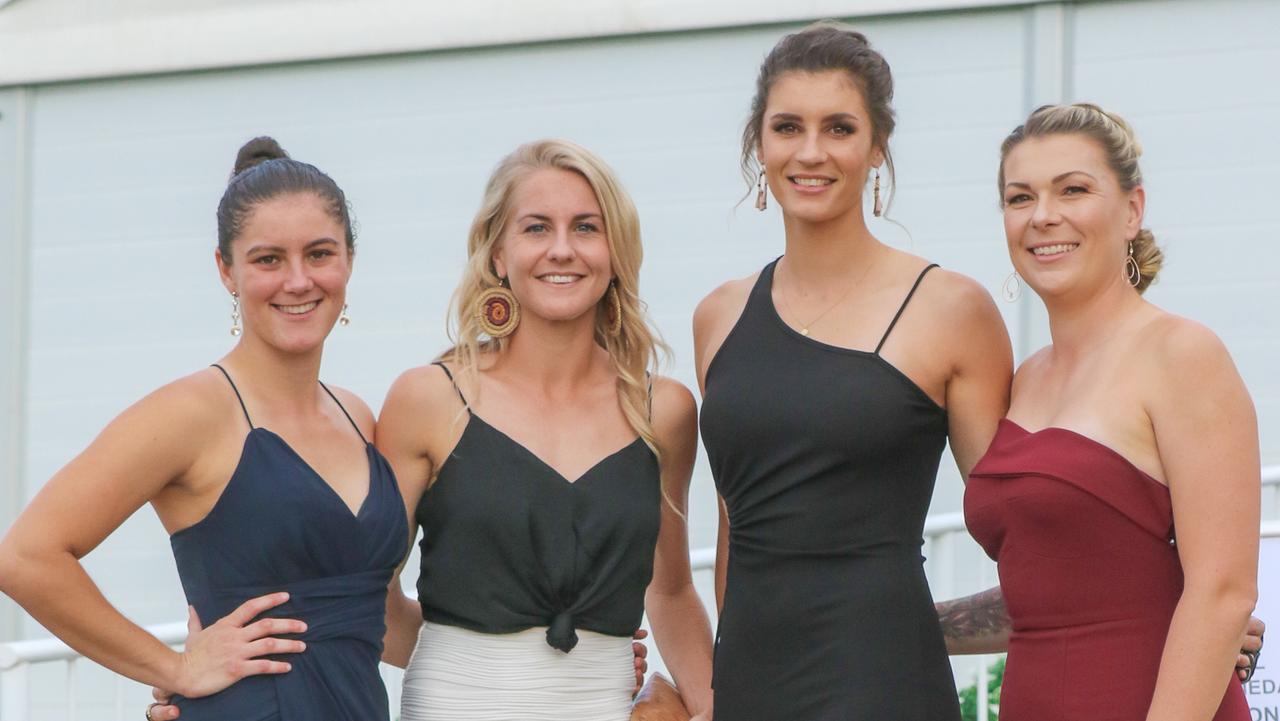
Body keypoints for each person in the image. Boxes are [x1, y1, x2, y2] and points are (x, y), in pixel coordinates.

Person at [0, 137, 409, 721]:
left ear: (349, 261)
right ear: (226, 270)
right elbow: (25, 558)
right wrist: (171, 668)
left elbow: (380, 616)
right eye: (269, 259)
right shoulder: (190, 413)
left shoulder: (356, 414)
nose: (298, 281)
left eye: (319, 254)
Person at [694, 22, 1013, 721]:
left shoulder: (951, 309)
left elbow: (1025, 527)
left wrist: (1158, 603)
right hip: (750, 685)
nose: (811, 152)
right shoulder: (717, 315)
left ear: (876, 148)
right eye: (787, 127)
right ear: (759, 144)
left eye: (839, 127)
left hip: (884, 681)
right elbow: (732, 530)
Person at [377, 139, 714, 721]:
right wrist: (490, 670)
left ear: (615, 252)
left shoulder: (664, 411)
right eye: (536, 228)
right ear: (498, 253)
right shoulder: (428, 399)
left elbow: (671, 590)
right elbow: (370, 600)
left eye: (586, 227)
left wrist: (712, 706)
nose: (562, 250)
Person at [960, 103, 1257, 720]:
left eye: (1073, 190)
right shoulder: (1022, 381)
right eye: (1020, 198)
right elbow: (1051, 589)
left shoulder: (1181, 354)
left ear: (1132, 210)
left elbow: (1223, 593)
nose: (1044, 216)